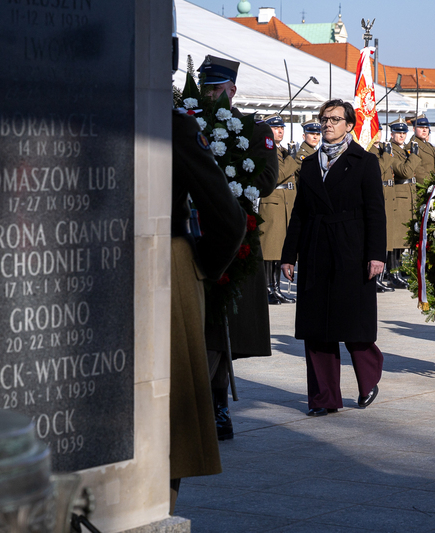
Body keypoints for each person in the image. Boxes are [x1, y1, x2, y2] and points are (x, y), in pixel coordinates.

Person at [280, 99, 387, 416]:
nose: (327, 124)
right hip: (315, 248)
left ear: (349, 125)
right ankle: (324, 398)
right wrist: (289, 255)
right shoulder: (310, 164)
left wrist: (376, 255)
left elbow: (375, 213)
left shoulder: (364, 161)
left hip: (351, 248)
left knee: (351, 323)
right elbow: (299, 213)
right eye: (324, 119)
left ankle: (368, 378)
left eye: (335, 119)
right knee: (317, 328)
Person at [198, 55, 279, 440]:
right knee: (201, 325)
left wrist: (228, 171)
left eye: (217, 88)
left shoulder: (253, 129)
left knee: (223, 324)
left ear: (232, 90)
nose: (211, 94)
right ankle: (206, 400)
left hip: (236, 236)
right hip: (193, 235)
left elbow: (265, 179)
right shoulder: (186, 124)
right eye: (206, 88)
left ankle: (218, 404)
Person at [170, 106, 247, 510]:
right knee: (168, 424)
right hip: (163, 264)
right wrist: (201, 267)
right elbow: (227, 218)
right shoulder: (167, 121)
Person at [260, 113, 300, 305]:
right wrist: (292, 159)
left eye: (282, 127)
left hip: (286, 203)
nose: (280, 130)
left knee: (280, 250)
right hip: (273, 202)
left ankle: (276, 287)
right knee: (270, 249)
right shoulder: (266, 149)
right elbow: (277, 175)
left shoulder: (282, 151)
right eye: (276, 128)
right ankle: (268, 288)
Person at [388, 117, 422, 289]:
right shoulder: (391, 151)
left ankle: (399, 269)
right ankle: (393, 272)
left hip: (409, 195)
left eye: (403, 133)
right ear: (392, 134)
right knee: (396, 238)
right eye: (398, 133)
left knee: (404, 237)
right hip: (399, 195)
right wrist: (414, 157)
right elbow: (404, 171)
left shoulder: (403, 150)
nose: (401, 136)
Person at [368, 126, 397, 292]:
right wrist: (386, 155)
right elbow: (377, 170)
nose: (377, 134)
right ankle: (377, 278)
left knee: (389, 239)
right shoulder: (370, 150)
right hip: (380, 195)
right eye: (374, 131)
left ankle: (383, 275)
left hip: (388, 195)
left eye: (379, 131)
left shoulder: (380, 150)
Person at [409, 114, 435, 181]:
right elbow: (417, 171)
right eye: (421, 127)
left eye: (426, 128)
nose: (424, 130)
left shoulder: (429, 146)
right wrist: (430, 183)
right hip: (422, 186)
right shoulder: (412, 146)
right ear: (414, 129)